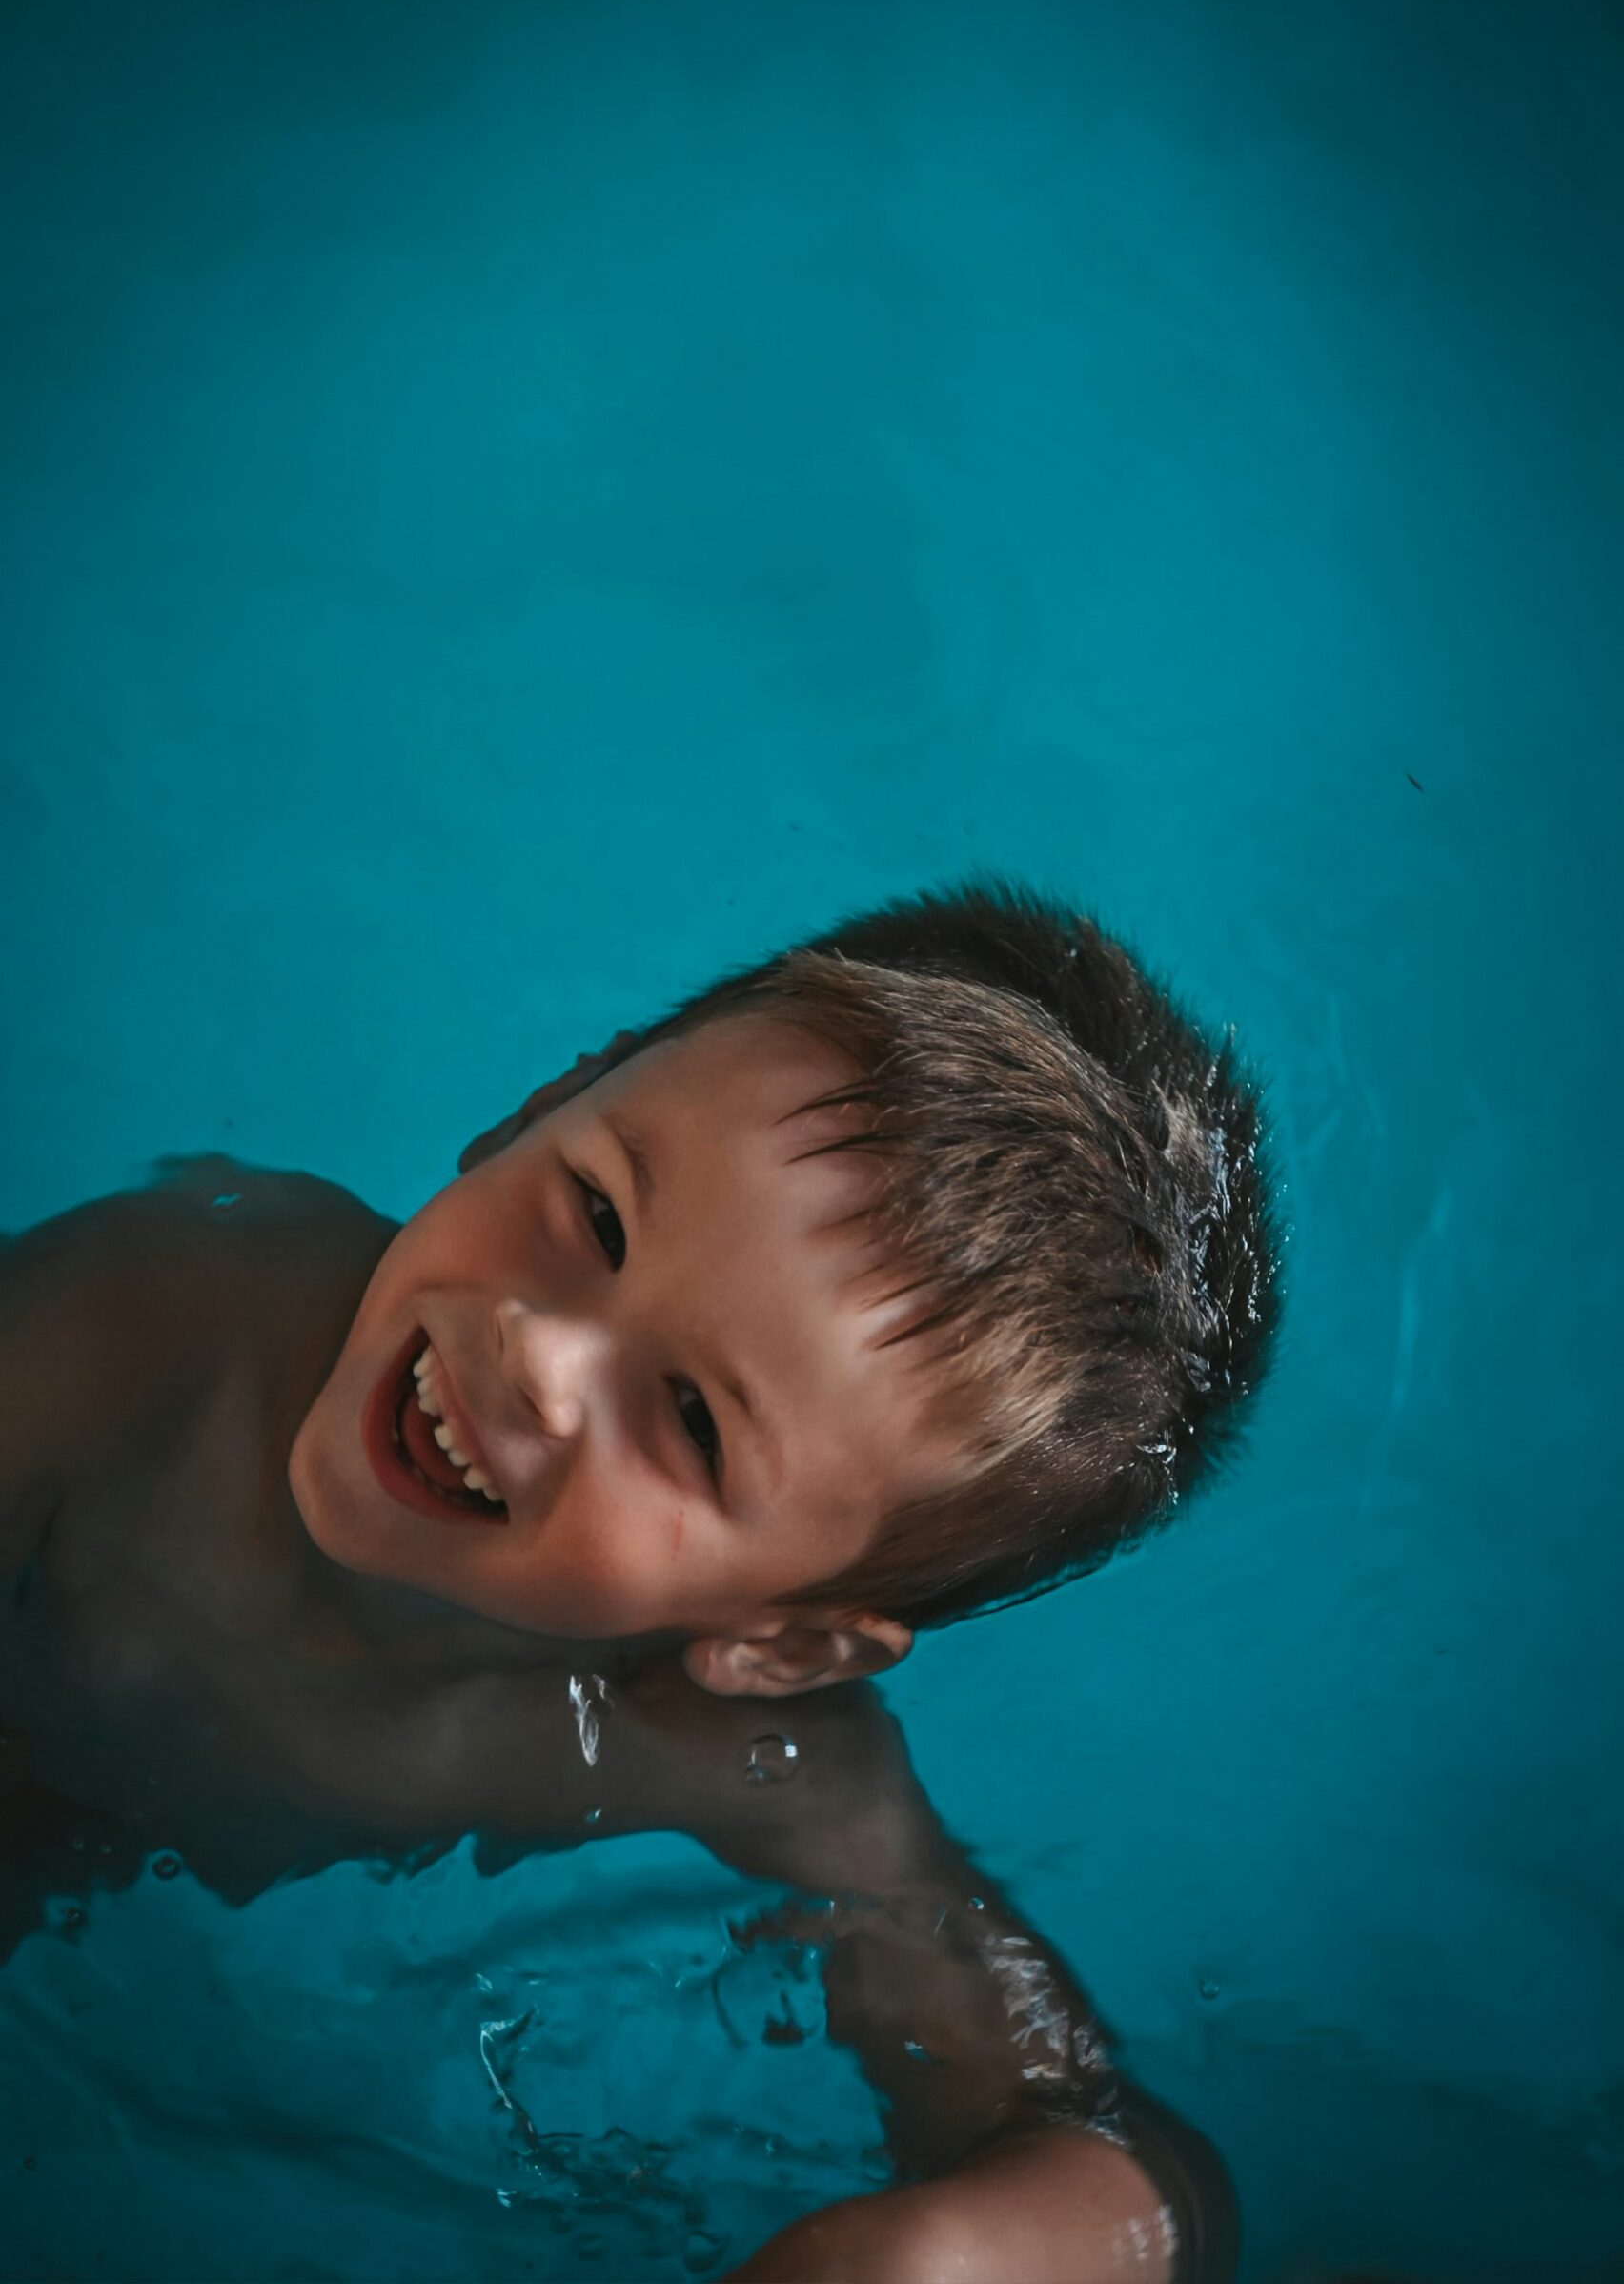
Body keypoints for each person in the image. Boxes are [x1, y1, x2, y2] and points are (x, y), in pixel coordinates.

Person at [0, 881, 1278, 2282]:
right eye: (599, 1215)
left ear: (782, 1643)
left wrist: (934, 2254)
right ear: (547, 1101)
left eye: (691, 1422)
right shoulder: (154, 1327)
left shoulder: (727, 1747)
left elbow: (1115, 2152)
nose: (539, 1353)